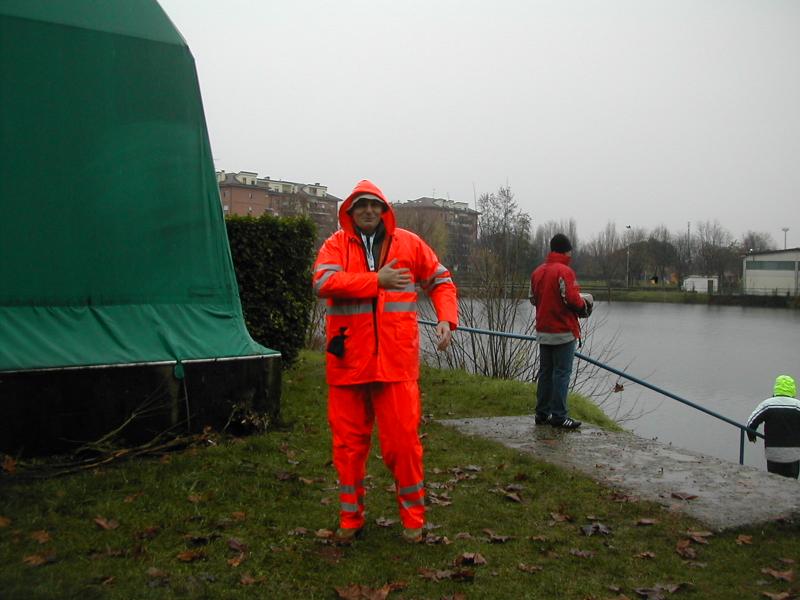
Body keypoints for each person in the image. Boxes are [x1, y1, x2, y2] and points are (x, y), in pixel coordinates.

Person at [313, 179, 458, 543]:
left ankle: (413, 521)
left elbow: (441, 280)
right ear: (350, 211)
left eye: (374, 205)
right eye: (361, 205)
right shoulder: (335, 245)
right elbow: (323, 283)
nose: (368, 211)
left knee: (403, 446)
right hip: (348, 362)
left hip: (396, 363)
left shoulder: (409, 243)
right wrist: (376, 280)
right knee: (348, 448)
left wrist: (446, 318)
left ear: (383, 210)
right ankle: (350, 521)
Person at [529, 233, 592, 430]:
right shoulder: (565, 271)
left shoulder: (537, 272)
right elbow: (572, 299)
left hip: (543, 330)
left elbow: (532, 298)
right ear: (566, 251)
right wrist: (584, 305)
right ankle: (559, 416)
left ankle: (542, 414)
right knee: (561, 374)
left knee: (545, 373)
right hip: (563, 331)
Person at [746, 375, 800, 479]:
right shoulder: (798, 406)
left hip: (773, 451)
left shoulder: (768, 404)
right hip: (793, 452)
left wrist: (751, 437)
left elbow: (750, 424)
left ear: (776, 388)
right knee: (792, 483)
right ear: (793, 389)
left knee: (774, 480)